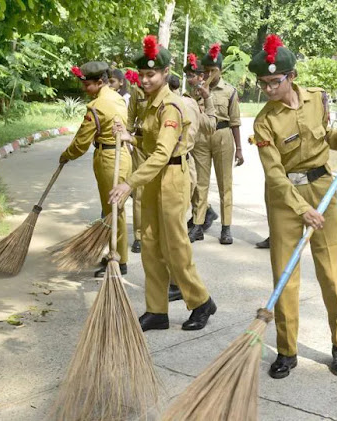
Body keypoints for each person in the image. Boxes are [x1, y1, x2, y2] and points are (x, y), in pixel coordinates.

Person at [247, 35, 337, 379]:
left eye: (275, 81)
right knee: (285, 276)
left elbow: (328, 136)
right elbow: (274, 173)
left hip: (322, 190)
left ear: (292, 76)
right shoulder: (264, 121)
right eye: (263, 83)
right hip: (284, 198)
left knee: (333, 273)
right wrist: (299, 208)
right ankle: (287, 351)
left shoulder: (317, 98)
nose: (268, 89)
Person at [109, 35, 216, 332]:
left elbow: (162, 153)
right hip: (154, 176)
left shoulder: (170, 106)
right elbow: (149, 139)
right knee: (150, 244)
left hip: (171, 177)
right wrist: (131, 137)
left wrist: (129, 184)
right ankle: (157, 310)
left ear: (166, 72)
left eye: (151, 74)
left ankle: (201, 302)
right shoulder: (150, 103)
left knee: (175, 246)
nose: (144, 80)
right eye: (142, 74)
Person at [59, 61, 132, 277]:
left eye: (87, 85)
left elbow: (81, 142)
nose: (84, 89)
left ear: (100, 82)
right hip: (122, 155)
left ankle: (118, 260)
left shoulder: (97, 106)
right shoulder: (117, 98)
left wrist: (67, 155)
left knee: (113, 212)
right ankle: (116, 254)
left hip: (109, 159)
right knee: (115, 210)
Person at [166, 72, 217, 302]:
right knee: (169, 233)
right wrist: (207, 100)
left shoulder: (181, 104)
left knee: (175, 233)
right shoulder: (189, 102)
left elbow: (210, 126)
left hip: (177, 169)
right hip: (184, 167)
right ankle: (175, 281)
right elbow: (211, 124)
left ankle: (184, 286)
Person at [191, 43, 243, 244]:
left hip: (223, 135)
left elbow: (235, 121)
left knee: (224, 183)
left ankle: (226, 227)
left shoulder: (229, 91)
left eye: (213, 70)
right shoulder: (197, 90)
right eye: (205, 71)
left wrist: (239, 149)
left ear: (220, 70)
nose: (209, 74)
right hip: (202, 137)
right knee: (200, 183)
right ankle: (198, 224)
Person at [182, 53, 219, 240]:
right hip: (190, 145)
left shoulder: (210, 95)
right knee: (193, 186)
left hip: (205, 142)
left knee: (200, 185)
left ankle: (198, 223)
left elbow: (212, 124)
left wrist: (206, 100)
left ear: (201, 76)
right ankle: (206, 212)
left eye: (192, 76)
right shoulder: (188, 96)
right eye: (187, 76)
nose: (189, 79)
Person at [125, 69, 147, 253]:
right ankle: (139, 236)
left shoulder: (167, 92)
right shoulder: (136, 92)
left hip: (161, 145)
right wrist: (126, 140)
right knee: (139, 192)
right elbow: (130, 118)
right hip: (140, 144)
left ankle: (157, 233)